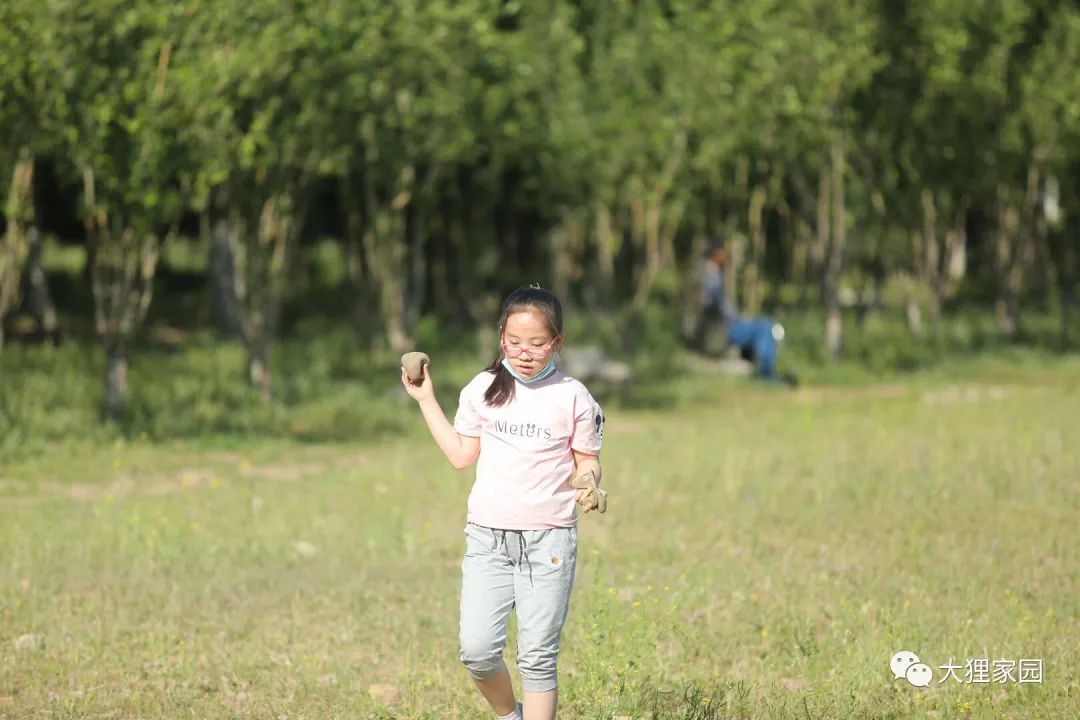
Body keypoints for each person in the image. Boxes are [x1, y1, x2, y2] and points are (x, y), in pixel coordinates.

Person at [400, 285, 606, 720]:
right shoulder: (483, 388)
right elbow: (460, 455)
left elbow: (587, 459)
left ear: (557, 342)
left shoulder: (573, 396)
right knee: (476, 651)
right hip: (487, 542)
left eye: (536, 344)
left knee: (536, 658)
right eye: (514, 343)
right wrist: (425, 399)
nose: (524, 352)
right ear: (501, 339)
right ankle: (509, 715)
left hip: (547, 543)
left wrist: (588, 481)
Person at [700, 243, 796, 386]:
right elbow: (715, 307)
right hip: (722, 329)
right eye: (723, 254)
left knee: (760, 323)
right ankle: (766, 374)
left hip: (719, 326)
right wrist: (738, 319)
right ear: (716, 255)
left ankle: (755, 368)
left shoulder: (700, 274)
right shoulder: (710, 277)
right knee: (767, 327)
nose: (726, 258)